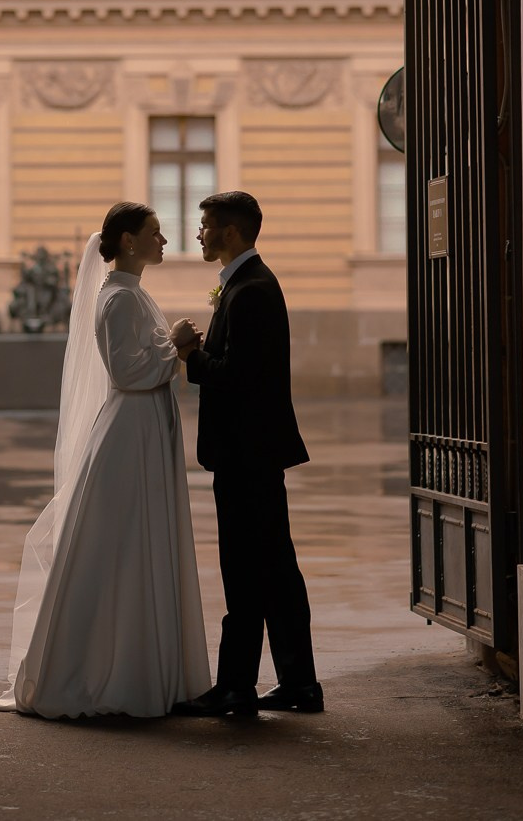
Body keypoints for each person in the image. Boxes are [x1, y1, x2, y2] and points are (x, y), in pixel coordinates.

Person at [0, 202, 210, 719]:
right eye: (155, 233)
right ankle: (107, 671)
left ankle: (144, 667)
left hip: (146, 424)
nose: (165, 240)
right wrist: (177, 345)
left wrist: (173, 347)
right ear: (128, 241)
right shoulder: (118, 300)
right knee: (123, 544)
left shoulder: (134, 294)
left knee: (136, 541)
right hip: (131, 430)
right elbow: (129, 372)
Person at [170, 190, 323, 718]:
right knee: (275, 568)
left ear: (231, 232)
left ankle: (237, 687)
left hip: (246, 454)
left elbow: (237, 376)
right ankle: (299, 683)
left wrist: (192, 354)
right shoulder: (245, 284)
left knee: (244, 569)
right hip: (253, 452)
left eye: (207, 225)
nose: (200, 234)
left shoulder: (250, 289)